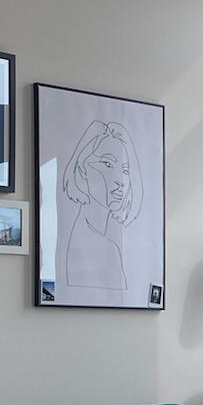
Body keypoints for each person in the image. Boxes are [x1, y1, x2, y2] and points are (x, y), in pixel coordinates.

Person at [61, 120, 142, 291]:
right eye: (107, 164)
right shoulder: (104, 248)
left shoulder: (87, 235)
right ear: (82, 168)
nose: (120, 180)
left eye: (125, 170)